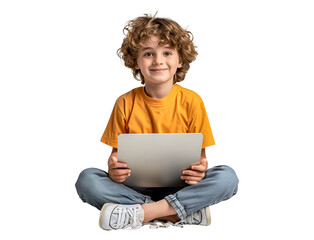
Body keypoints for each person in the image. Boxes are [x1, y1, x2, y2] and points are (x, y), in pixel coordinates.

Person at [75, 14, 239, 230]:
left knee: (227, 178)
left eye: (167, 53)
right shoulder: (125, 102)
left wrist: (200, 169)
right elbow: (115, 156)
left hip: (180, 187)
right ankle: (176, 213)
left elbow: (201, 158)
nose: (158, 60)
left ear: (180, 60)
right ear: (136, 61)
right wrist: (114, 169)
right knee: (87, 180)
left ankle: (142, 213)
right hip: (135, 189)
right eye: (148, 53)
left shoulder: (192, 101)